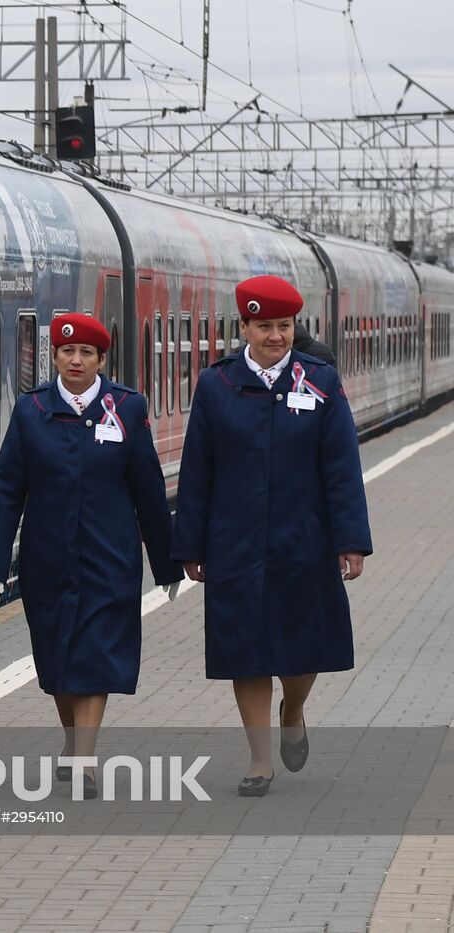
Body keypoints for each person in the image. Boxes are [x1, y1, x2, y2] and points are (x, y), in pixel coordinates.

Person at [172, 275, 372, 797]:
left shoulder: (320, 382)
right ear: (245, 327)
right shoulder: (217, 384)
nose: (276, 336)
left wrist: (350, 540)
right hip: (234, 543)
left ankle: (295, 708)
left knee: (302, 651)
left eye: (284, 326)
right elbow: (198, 469)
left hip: (303, 540)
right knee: (245, 648)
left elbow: (342, 468)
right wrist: (189, 545)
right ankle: (260, 761)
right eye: (265, 326)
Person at [0, 313, 181, 799]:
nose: (75, 360)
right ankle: (73, 743)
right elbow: (8, 489)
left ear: (101, 360)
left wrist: (166, 562)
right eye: (67, 352)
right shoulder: (31, 411)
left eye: (86, 353)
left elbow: (149, 489)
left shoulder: (126, 410)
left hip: (109, 555)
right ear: (54, 356)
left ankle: (84, 760)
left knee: (95, 654)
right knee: (57, 659)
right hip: (46, 557)